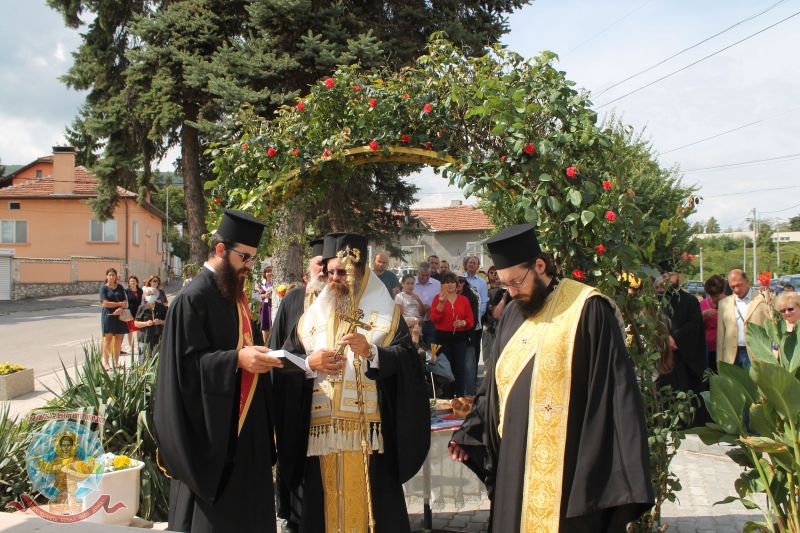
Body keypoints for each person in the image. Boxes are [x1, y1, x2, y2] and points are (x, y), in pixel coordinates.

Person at [449, 224, 653, 532]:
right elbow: (495, 386)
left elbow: (614, 394)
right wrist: (471, 431)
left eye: (517, 282)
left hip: (567, 468)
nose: (512, 292)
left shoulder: (588, 309)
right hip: (515, 463)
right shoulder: (514, 313)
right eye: (506, 286)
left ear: (540, 266)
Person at [279, 232, 429, 533]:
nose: (338, 278)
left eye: (346, 272)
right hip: (319, 435)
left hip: (369, 434)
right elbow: (285, 361)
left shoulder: (386, 313)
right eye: (332, 272)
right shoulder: (310, 318)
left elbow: (408, 361)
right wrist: (310, 364)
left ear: (363, 273)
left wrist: (372, 351)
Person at [154, 209, 283, 533]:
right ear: (222, 250)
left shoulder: (234, 297)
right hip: (212, 442)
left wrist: (259, 357)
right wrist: (237, 360)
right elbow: (183, 370)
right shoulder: (191, 299)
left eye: (253, 259)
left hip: (245, 434)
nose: (249, 266)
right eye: (245, 257)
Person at [269, 237, 325, 533]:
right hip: (295, 394)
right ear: (308, 272)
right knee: (295, 455)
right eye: (319, 265)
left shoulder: (344, 302)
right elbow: (276, 346)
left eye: (330, 267)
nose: (325, 272)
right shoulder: (293, 300)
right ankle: (293, 516)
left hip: (329, 398)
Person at [655, 271, 709, 424]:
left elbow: (694, 325)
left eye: (671, 274)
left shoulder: (690, 301)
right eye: (665, 275)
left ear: (679, 276)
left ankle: (686, 421)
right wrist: (664, 338)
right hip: (662, 355)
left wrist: (675, 338)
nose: (668, 278)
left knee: (685, 389)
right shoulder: (655, 301)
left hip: (684, 355)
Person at [430, 272, 475, 397]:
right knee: (445, 369)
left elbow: (471, 320)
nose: (449, 285)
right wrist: (441, 304)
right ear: (442, 285)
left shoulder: (464, 300)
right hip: (442, 338)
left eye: (452, 282)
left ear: (456, 285)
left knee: (459, 368)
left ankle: (460, 397)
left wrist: (463, 322)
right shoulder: (437, 298)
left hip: (460, 338)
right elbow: (434, 319)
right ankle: (447, 397)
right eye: (446, 282)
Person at [717, 269, 770, 369]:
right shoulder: (723, 303)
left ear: (747, 281)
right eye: (732, 287)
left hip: (757, 354)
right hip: (732, 356)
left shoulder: (763, 299)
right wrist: (719, 360)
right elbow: (721, 335)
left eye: (739, 285)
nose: (736, 289)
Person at [463, 255, 489, 379]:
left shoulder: (482, 283)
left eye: (474, 263)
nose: (472, 264)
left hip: (476, 322)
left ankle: (473, 378)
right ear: (466, 264)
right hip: (461, 322)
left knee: (474, 349)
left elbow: (484, 301)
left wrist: (478, 316)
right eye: (470, 262)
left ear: (478, 266)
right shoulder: (460, 280)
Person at [100, 267, 129, 370]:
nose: (112, 277)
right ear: (106, 276)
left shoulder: (120, 287)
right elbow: (105, 303)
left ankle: (116, 363)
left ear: (116, 276)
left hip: (120, 316)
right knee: (107, 340)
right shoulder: (104, 288)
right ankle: (106, 363)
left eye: (113, 275)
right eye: (110, 275)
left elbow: (125, 303)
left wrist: (120, 308)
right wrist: (119, 304)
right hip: (108, 316)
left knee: (118, 340)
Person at [134, 286, 167, 361]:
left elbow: (167, 321)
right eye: (149, 294)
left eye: (153, 294)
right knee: (144, 360)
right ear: (145, 297)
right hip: (145, 338)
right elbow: (136, 323)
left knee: (157, 360)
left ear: (157, 295)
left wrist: (160, 321)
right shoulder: (142, 308)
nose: (151, 296)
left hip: (157, 337)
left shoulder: (161, 307)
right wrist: (146, 323)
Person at [700, 275, 726, 372]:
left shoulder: (730, 302)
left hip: (725, 348)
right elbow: (695, 325)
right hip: (709, 348)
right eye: (712, 296)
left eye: (717, 295)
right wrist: (703, 315)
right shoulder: (702, 304)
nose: (714, 299)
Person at [414, 261, 441, 349]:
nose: (425, 277)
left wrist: (431, 308)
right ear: (417, 272)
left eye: (427, 275)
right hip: (414, 322)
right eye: (422, 275)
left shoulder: (437, 284)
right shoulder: (411, 282)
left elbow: (441, 302)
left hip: (431, 322)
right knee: (416, 348)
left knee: (431, 348)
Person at [124, 275, 143, 356]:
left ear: (137, 282)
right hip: (130, 313)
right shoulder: (126, 291)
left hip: (139, 312)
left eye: (133, 281)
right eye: (130, 281)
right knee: (130, 331)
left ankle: (140, 345)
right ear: (129, 283)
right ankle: (131, 346)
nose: (132, 282)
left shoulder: (140, 290)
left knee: (139, 330)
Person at [257, 264, 274, 343]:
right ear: (265, 274)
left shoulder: (275, 283)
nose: (269, 273)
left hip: (273, 306)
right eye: (267, 272)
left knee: (273, 325)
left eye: (270, 271)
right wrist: (265, 295)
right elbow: (258, 296)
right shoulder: (262, 284)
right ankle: (266, 344)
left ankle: (273, 344)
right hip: (264, 307)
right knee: (265, 326)